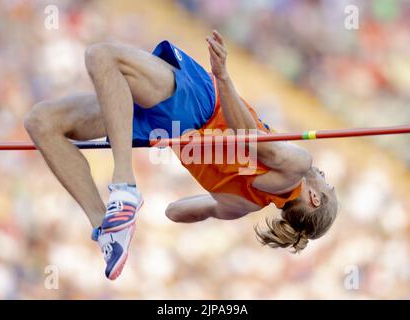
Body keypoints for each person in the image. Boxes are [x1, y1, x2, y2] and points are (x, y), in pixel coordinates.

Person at [24, 30, 338, 280]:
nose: (324, 177)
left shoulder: (299, 165)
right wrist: (214, 175)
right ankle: (105, 226)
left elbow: (247, 137)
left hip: (199, 105)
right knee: (42, 123)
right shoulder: (241, 206)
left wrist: (224, 76)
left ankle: (124, 184)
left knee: (101, 56)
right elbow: (175, 211)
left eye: (328, 186)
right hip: (171, 129)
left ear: (314, 198)